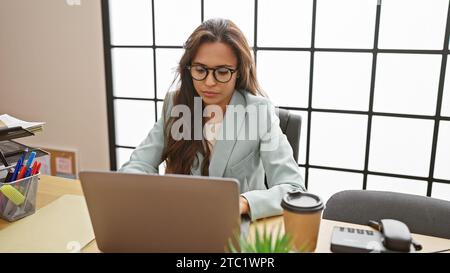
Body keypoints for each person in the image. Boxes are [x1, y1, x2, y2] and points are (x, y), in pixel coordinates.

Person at [119, 18, 305, 221]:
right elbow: (138, 165)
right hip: (180, 221)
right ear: (189, 69)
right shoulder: (176, 104)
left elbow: (293, 189)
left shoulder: (258, 112)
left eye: (222, 72)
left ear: (239, 72)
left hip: (237, 229)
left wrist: (244, 202)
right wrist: (144, 189)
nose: (209, 82)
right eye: (200, 70)